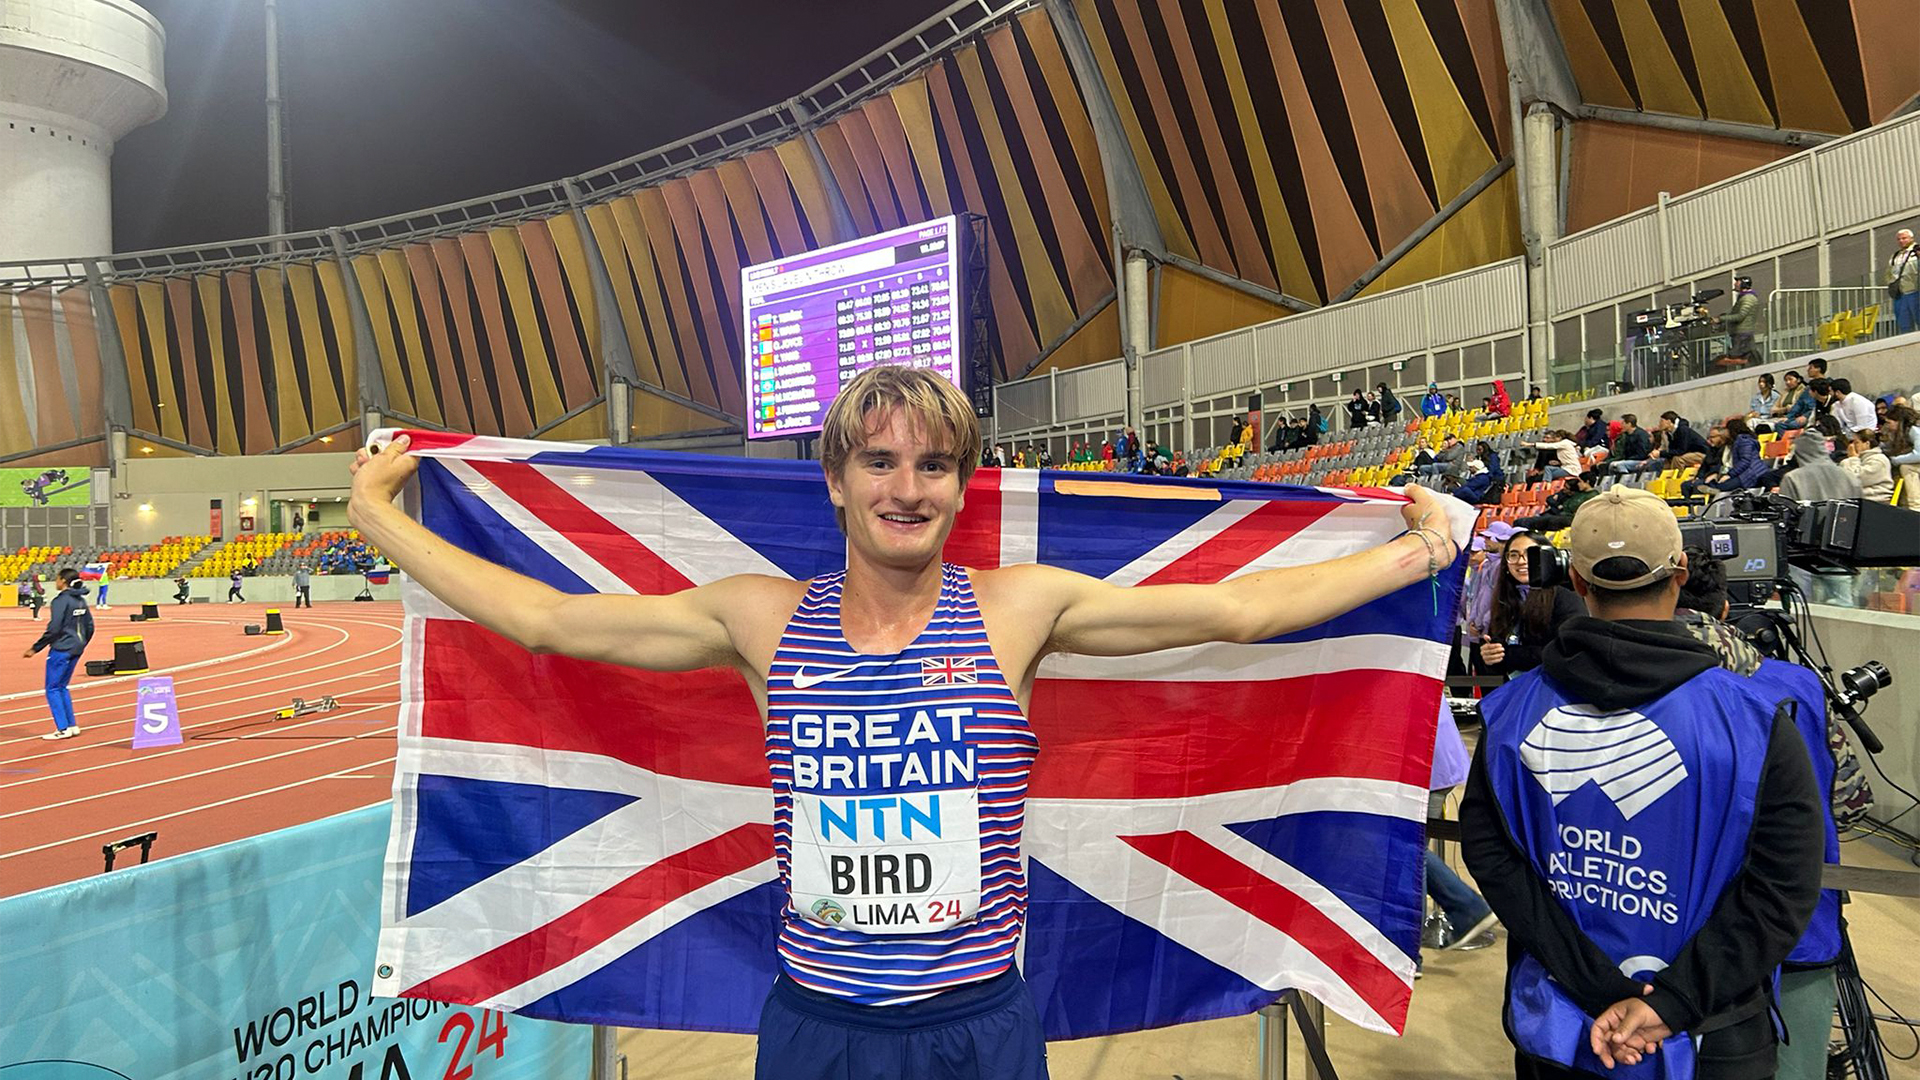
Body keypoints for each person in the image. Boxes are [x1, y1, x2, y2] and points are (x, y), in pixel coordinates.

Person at [346, 364, 1461, 1080]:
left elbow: (1238, 609)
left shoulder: (1019, 608)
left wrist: (1426, 547)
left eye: (933, 465)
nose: (907, 487)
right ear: (835, 479)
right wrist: (370, 514)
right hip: (820, 1029)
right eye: (879, 460)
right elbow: (544, 620)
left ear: (963, 485)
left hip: (978, 1026)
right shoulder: (760, 620)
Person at [1461, 487, 1824, 1080]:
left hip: (1562, 1025)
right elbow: (1783, 887)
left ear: (1576, 582)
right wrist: (1670, 1004)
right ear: (1680, 572)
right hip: (1711, 1037)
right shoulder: (1756, 722)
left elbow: (1496, 862)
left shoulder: (1507, 716)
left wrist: (1596, 986)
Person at [1672, 552, 1850, 1080]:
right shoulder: (1798, 686)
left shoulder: (1618, 678)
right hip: (1799, 924)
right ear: (1726, 608)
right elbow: (1850, 799)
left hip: (1667, 939)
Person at [1478, 531, 1585, 678]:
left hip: (1554, 692)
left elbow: (1565, 652)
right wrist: (1490, 656)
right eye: (1514, 555)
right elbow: (1499, 659)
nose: (1521, 561)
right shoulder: (1505, 598)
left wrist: (1509, 654)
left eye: (1530, 554)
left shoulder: (1565, 597)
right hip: (1517, 690)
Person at [24, 567, 94, 741]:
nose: (55, 582)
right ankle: (71, 725)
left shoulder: (61, 601)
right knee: (62, 687)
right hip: (76, 648)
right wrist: (82, 643)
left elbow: (54, 628)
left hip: (62, 649)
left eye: (56, 579)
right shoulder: (80, 600)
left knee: (53, 688)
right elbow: (90, 626)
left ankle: (62, 728)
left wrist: (36, 647)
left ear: (63, 580)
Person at [1515, 473, 1599, 533]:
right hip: (1561, 515)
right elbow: (1553, 500)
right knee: (1522, 521)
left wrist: (1559, 505)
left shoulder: (1593, 496)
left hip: (1571, 518)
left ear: (1587, 482)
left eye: (1580, 481)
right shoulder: (1579, 493)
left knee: (1551, 520)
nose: (1578, 484)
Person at [1840, 428, 1893, 502]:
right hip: (1859, 497)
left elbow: (1855, 480)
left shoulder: (1878, 460)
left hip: (1875, 499)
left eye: (1856, 443)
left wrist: (1853, 459)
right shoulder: (1859, 458)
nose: (1852, 446)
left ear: (1867, 444)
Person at [1717, 275, 1760, 366]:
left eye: (1737, 282)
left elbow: (1740, 316)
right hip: (1742, 334)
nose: (1735, 284)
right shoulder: (1744, 298)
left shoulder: (1747, 298)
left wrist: (1720, 319)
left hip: (1742, 334)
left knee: (1734, 358)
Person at [1888, 227, 1919, 333]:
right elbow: (1890, 272)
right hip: (1900, 293)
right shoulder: (1896, 256)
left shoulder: (1917, 251)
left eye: (1904, 238)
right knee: (1904, 323)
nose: (1901, 241)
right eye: (1899, 239)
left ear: (1911, 238)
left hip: (1915, 290)